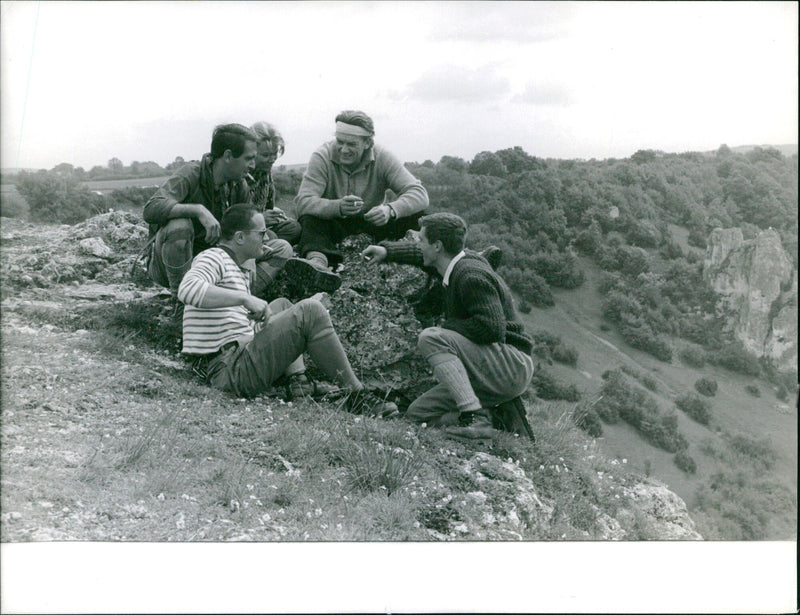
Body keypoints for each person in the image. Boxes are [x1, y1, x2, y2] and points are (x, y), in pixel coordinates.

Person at [178, 203, 397, 416]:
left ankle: (298, 383)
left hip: (230, 360)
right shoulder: (213, 257)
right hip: (228, 369)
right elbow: (187, 289)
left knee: (281, 304)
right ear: (240, 237)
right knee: (311, 310)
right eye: (261, 233)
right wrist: (245, 299)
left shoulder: (236, 266)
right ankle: (357, 396)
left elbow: (234, 327)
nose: (266, 238)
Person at [362, 212, 533, 442]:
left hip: (510, 364)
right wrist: (387, 251)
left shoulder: (470, 275)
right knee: (417, 414)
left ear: (438, 246)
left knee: (431, 337)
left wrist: (446, 327)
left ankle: (474, 416)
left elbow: (492, 328)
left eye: (421, 240)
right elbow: (420, 254)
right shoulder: (453, 262)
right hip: (486, 367)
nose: (418, 244)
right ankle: (495, 420)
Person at [143, 124, 294, 300]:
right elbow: (151, 208)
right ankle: (183, 301)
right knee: (179, 226)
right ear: (228, 156)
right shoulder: (191, 174)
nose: (253, 165)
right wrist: (198, 211)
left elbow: (245, 230)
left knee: (281, 248)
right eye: (248, 158)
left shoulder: (239, 185)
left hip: (215, 263)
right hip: (176, 263)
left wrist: (252, 257)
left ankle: (233, 299)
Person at [286, 110, 429, 292]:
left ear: (367, 143)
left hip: (372, 223)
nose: (343, 149)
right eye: (339, 142)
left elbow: (419, 193)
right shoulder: (321, 156)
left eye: (351, 144)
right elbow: (303, 202)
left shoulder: (382, 156)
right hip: (334, 225)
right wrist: (337, 206)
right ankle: (318, 264)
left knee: (418, 216)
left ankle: (421, 258)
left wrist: (390, 210)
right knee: (310, 218)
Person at [247, 121, 302, 246]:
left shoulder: (265, 173)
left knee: (294, 227)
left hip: (261, 226)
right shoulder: (241, 174)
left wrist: (275, 213)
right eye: (266, 155)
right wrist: (260, 219)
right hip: (244, 228)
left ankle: (270, 246)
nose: (272, 159)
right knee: (271, 236)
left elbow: (267, 206)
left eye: (274, 154)